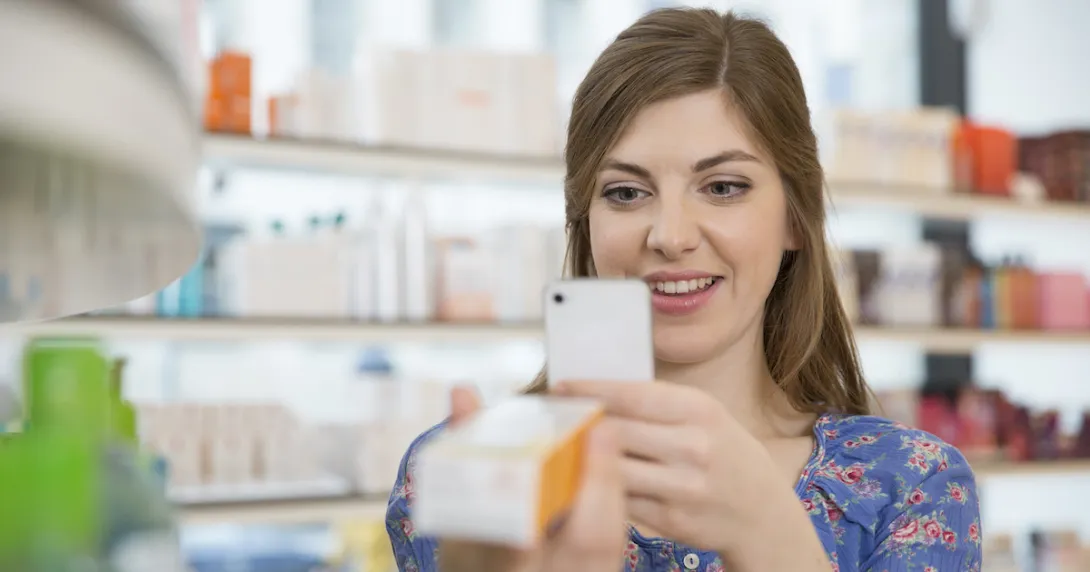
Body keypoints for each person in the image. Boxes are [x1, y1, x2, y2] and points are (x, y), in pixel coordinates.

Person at [387, 7, 982, 572]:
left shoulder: (911, 484)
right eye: (625, 192)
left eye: (722, 187)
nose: (670, 237)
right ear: (584, 222)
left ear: (796, 218)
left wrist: (768, 534)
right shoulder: (472, 471)